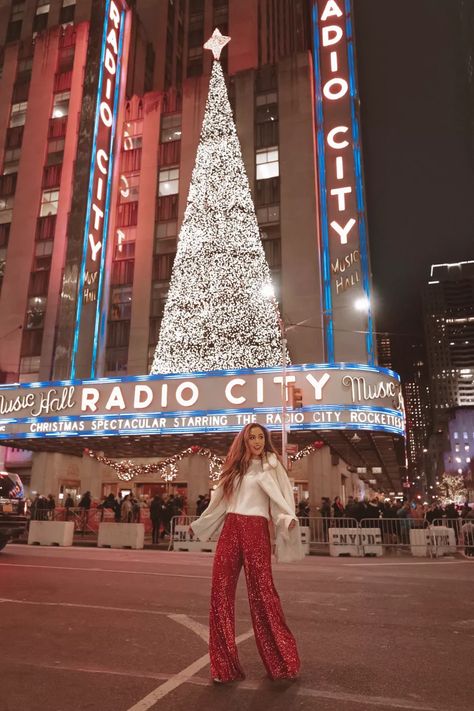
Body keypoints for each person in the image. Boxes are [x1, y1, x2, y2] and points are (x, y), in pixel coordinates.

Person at [190, 423, 303, 684]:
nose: (257, 441)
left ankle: (282, 662)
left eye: (261, 437)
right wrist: (202, 524)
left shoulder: (272, 466)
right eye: (252, 437)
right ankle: (223, 667)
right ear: (244, 440)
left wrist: (286, 519)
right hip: (231, 529)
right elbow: (219, 503)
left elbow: (282, 499)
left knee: (263, 594)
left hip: (255, 530)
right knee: (219, 594)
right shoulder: (233, 469)